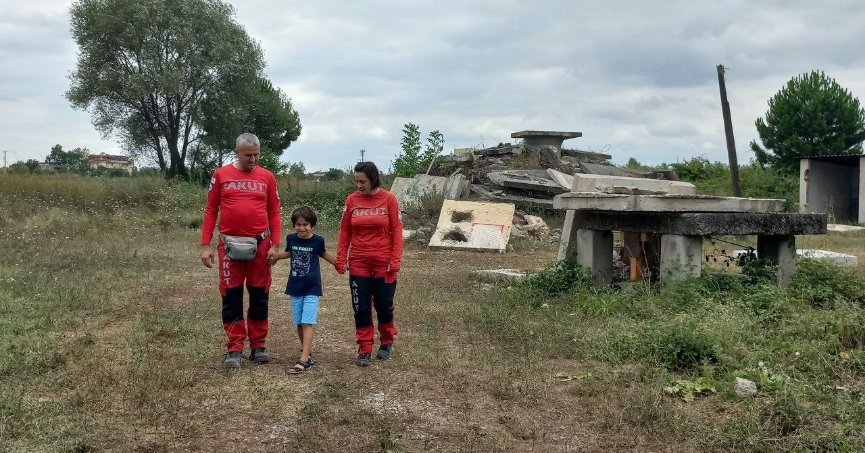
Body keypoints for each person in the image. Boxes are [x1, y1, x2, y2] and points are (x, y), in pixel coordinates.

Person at [200, 133, 282, 368]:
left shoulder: (267, 177)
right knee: (232, 296)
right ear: (237, 152)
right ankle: (234, 348)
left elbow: (274, 212)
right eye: (248, 155)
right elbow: (210, 210)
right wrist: (205, 245)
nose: (253, 159)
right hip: (229, 246)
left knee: (259, 295)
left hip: (261, 245)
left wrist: (275, 245)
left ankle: (258, 346)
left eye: (256, 154)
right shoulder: (221, 175)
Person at [335, 161, 404, 367]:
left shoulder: (389, 199)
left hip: (384, 262)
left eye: (362, 181)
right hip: (358, 262)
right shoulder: (352, 200)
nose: (358, 186)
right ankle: (365, 347)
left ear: (373, 178)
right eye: (356, 181)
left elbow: (397, 230)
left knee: (383, 305)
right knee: (361, 306)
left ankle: (386, 341)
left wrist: (395, 259)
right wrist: (341, 257)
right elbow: (345, 230)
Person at [271, 205, 337, 374]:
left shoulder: (318, 241)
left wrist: (340, 264)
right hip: (295, 287)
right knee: (299, 322)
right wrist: (275, 257)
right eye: (298, 224)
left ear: (312, 225)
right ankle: (307, 352)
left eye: (305, 224)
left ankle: (304, 359)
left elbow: (324, 254)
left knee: (308, 321)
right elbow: (290, 253)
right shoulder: (291, 239)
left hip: (312, 288)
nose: (301, 228)